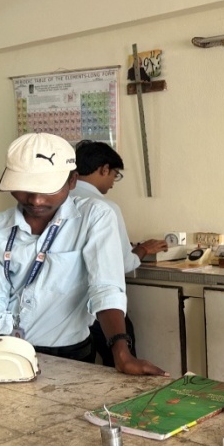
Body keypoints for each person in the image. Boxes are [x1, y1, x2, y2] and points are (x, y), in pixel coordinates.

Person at [0, 132, 166, 376]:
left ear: (72, 181)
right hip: (6, 350)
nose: (36, 200)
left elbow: (106, 288)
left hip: (67, 353)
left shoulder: (94, 217)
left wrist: (121, 353)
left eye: (48, 189)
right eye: (24, 188)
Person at [72, 140, 168, 366]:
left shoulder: (56, 202)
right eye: (115, 175)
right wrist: (143, 249)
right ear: (104, 169)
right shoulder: (104, 208)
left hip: (66, 316)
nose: (113, 183)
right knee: (120, 365)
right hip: (100, 311)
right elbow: (122, 264)